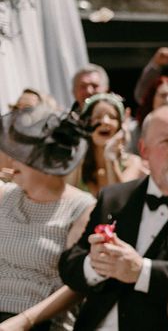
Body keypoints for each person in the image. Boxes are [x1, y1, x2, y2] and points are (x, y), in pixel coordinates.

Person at [58, 104, 168, 331]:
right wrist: (96, 264)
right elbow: (69, 265)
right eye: (166, 141)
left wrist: (142, 271)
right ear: (144, 150)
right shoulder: (115, 197)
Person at [0, 105, 95, 330]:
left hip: (42, 322)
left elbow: (77, 285)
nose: (11, 161)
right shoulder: (4, 195)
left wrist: (23, 322)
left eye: (20, 155)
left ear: (46, 162)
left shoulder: (82, 207)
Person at [69, 94, 146, 196]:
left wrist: (111, 157)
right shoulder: (77, 164)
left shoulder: (133, 163)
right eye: (97, 117)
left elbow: (118, 200)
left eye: (112, 117)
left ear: (120, 126)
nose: (105, 122)